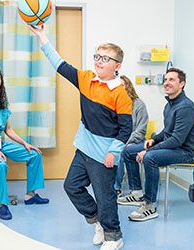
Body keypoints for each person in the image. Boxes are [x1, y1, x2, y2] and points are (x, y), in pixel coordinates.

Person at [28, 25, 132, 250]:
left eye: (105, 58)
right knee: (71, 186)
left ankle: (114, 236)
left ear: (117, 66)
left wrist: (114, 153)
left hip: (103, 155)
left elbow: (126, 129)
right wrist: (42, 37)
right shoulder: (86, 79)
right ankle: (97, 222)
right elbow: (60, 65)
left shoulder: (120, 94)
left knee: (106, 198)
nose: (99, 61)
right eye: (97, 56)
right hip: (83, 148)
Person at [0, 65, 49, 220]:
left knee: (34, 154)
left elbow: (8, 130)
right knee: (0, 164)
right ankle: (2, 205)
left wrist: (25, 144)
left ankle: (30, 195)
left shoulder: (1, 100)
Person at [118, 67, 194, 222]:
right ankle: (136, 193)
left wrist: (149, 151)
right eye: (165, 79)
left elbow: (176, 140)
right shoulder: (169, 105)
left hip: (186, 152)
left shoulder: (185, 107)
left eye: (171, 80)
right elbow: (167, 131)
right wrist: (154, 140)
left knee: (150, 158)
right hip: (174, 147)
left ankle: (150, 205)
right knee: (127, 151)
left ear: (182, 84)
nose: (166, 83)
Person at [114, 75, 148, 196]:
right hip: (121, 140)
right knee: (113, 150)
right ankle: (111, 184)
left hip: (137, 141)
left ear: (128, 87)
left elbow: (141, 131)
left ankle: (116, 187)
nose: (119, 88)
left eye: (122, 85)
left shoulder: (139, 105)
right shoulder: (115, 105)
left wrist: (125, 141)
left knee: (122, 152)